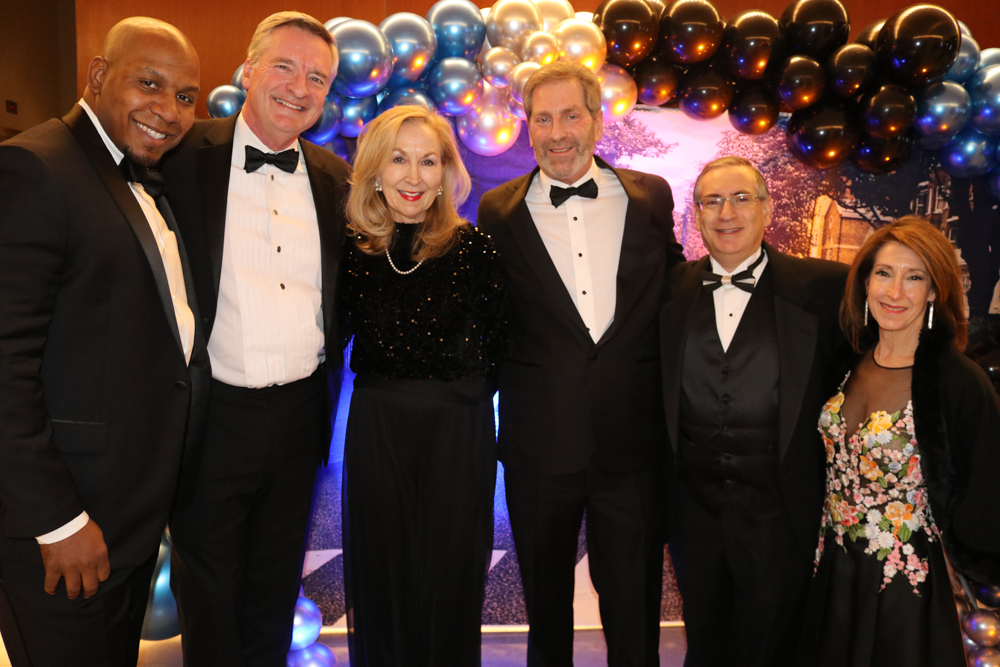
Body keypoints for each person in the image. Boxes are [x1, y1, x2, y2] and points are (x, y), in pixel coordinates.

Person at [0, 17, 208, 666]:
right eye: (149, 84)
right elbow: (5, 367)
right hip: (68, 526)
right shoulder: (36, 167)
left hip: (126, 517)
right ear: (97, 75)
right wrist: (57, 521)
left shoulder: (136, 175)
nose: (168, 110)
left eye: (185, 96)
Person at [477, 60, 684, 667]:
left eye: (571, 115)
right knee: (544, 607)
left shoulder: (650, 196)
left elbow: (675, 293)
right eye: (543, 119)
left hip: (634, 442)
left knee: (635, 604)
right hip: (539, 446)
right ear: (527, 126)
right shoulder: (498, 211)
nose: (557, 132)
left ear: (596, 120)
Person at [160, 11, 349, 666]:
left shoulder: (334, 178)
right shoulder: (180, 158)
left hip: (299, 416)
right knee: (209, 598)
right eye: (285, 67)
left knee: (273, 592)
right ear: (247, 70)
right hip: (211, 417)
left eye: (317, 77)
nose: (300, 87)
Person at [660, 156, 847, 666]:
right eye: (712, 201)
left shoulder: (825, 289)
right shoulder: (667, 290)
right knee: (705, 641)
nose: (727, 213)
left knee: (774, 647)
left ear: (767, 210)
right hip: (693, 514)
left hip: (781, 513)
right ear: (697, 215)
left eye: (741, 198)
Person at [339, 104, 507, 666]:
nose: (413, 176)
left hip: (457, 434)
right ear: (374, 171)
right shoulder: (350, 251)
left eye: (428, 161)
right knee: (383, 577)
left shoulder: (476, 250)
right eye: (398, 159)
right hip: (378, 431)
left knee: (449, 579)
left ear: (446, 173)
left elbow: (502, 347)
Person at [798, 215, 1000, 666]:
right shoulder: (843, 360)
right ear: (865, 282)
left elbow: (987, 486)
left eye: (914, 278)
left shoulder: (959, 382)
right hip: (832, 569)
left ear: (934, 291)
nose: (894, 292)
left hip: (907, 586)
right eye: (884, 273)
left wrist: (964, 555)